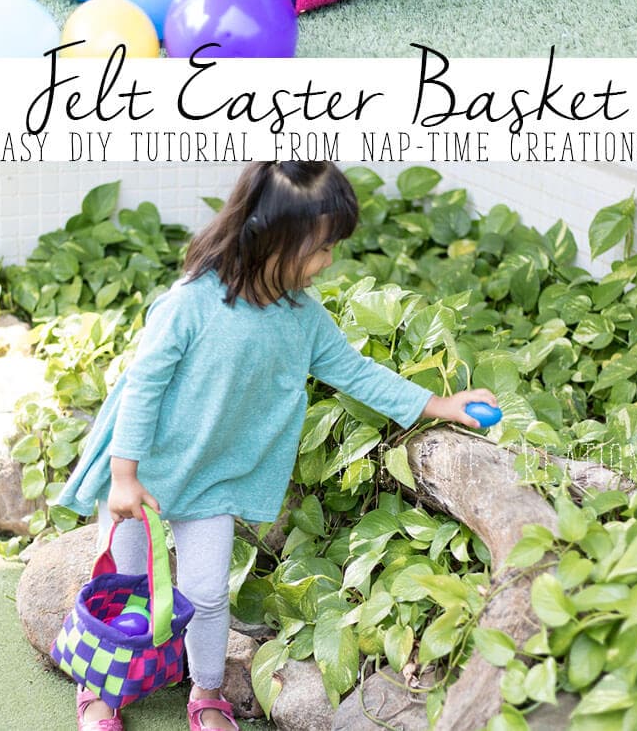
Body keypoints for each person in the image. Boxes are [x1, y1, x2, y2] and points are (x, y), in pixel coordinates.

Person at [59, 162, 498, 731]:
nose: (328, 261)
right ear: (274, 239)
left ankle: (207, 692)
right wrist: (123, 476)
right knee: (128, 589)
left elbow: (355, 371)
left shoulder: (303, 320)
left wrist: (440, 405)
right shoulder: (191, 304)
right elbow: (143, 388)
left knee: (208, 593)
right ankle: (101, 691)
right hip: (141, 473)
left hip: (213, 480)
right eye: (321, 248)